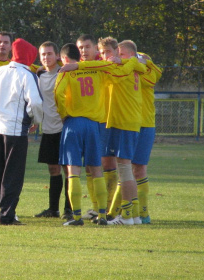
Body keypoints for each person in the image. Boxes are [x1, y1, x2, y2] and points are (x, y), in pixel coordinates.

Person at [70, 37, 147, 225]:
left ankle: (126, 216)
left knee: (124, 168)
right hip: (122, 121)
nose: (107, 57)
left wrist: (75, 67)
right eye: (102, 53)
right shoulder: (130, 65)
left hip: (124, 122)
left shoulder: (121, 68)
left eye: (112, 53)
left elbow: (140, 65)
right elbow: (142, 66)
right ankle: (133, 214)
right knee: (124, 167)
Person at [0, 38, 43, 225]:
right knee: (12, 175)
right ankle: (6, 215)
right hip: (15, 131)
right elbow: (36, 102)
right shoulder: (27, 74)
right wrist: (35, 119)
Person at [115, 40, 163, 224]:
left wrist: (147, 62)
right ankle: (120, 210)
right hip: (127, 122)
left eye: (123, 54)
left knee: (139, 168)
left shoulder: (144, 71)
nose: (120, 58)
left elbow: (154, 75)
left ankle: (143, 212)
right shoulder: (126, 69)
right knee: (124, 167)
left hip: (145, 123)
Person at [33, 41, 72, 220]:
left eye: (49, 54)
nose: (46, 57)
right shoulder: (38, 75)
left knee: (68, 169)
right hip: (48, 129)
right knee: (53, 168)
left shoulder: (65, 72)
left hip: (65, 128)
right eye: (43, 54)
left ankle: (70, 209)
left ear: (57, 56)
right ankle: (53, 209)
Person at [75, 34, 111, 221]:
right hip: (84, 124)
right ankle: (97, 207)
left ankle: (110, 207)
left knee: (104, 165)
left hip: (102, 122)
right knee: (89, 167)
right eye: (80, 47)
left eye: (87, 47)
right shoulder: (76, 67)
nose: (83, 51)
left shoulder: (101, 65)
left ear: (95, 49)